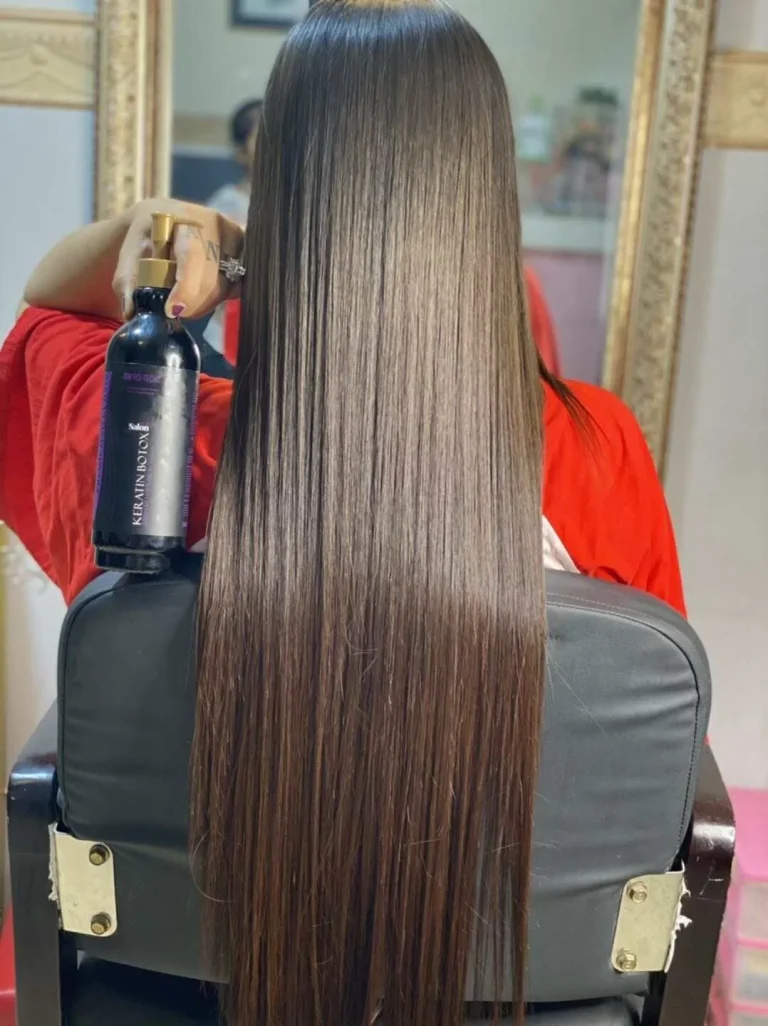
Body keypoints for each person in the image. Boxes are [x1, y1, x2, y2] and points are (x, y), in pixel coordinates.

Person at [0, 2, 684, 1023]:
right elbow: (639, 774)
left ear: (280, 203)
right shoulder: (598, 450)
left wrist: (177, 234)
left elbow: (43, 312)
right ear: (486, 213)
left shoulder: (156, 437)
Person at [203, 98, 262, 356]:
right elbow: (211, 263)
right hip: (226, 334)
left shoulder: (301, 203)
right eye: (262, 138)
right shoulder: (225, 203)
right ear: (241, 150)